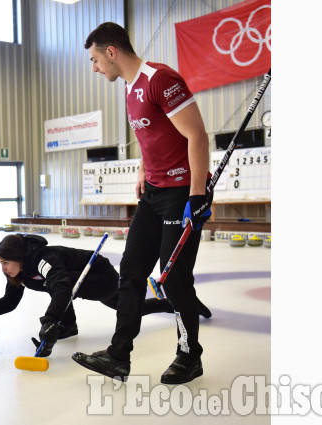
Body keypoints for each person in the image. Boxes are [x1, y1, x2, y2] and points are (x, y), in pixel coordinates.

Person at [72, 22, 214, 384]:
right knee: (131, 272)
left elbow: (196, 135)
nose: (94, 68)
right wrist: (142, 169)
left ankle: (189, 357)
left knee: (173, 278)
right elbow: (152, 133)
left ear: (111, 52)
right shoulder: (130, 88)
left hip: (181, 193)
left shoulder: (160, 79)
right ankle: (118, 356)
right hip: (152, 193)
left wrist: (197, 195)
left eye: (94, 60)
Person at [0, 233, 212, 357]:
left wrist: (50, 321)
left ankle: (65, 324)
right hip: (82, 282)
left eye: (6, 262)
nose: (4, 268)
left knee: (60, 285)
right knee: (128, 308)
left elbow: (62, 288)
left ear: (20, 258)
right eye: (0, 263)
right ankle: (176, 305)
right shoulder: (19, 272)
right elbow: (11, 300)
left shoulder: (43, 259)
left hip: (100, 276)